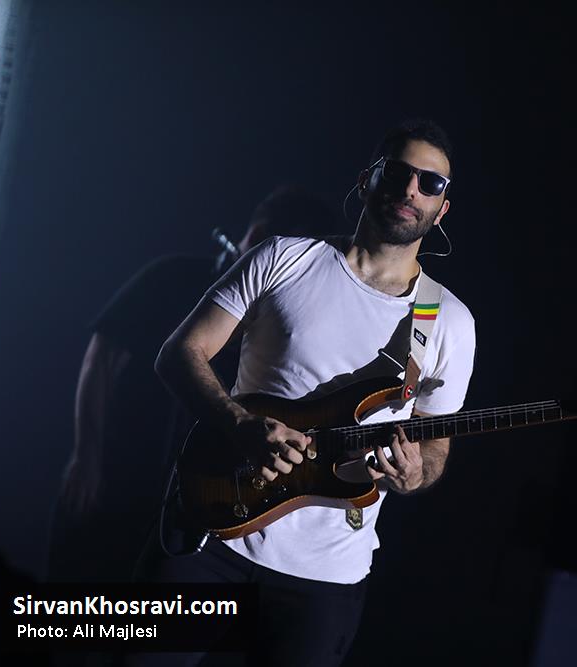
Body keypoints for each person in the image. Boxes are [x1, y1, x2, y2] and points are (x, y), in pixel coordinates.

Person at [132, 119, 476, 666]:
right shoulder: (284, 258)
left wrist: (416, 474)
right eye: (397, 173)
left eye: (430, 183)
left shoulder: (449, 321)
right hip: (213, 531)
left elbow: (435, 445)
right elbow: (178, 354)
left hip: (325, 576)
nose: (412, 190)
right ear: (367, 179)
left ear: (442, 209)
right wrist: (239, 424)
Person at [47, 185, 338, 584]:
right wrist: (86, 456)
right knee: (72, 592)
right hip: (118, 465)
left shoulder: (281, 323)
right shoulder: (172, 275)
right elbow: (100, 361)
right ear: (256, 235)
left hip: (191, 489)